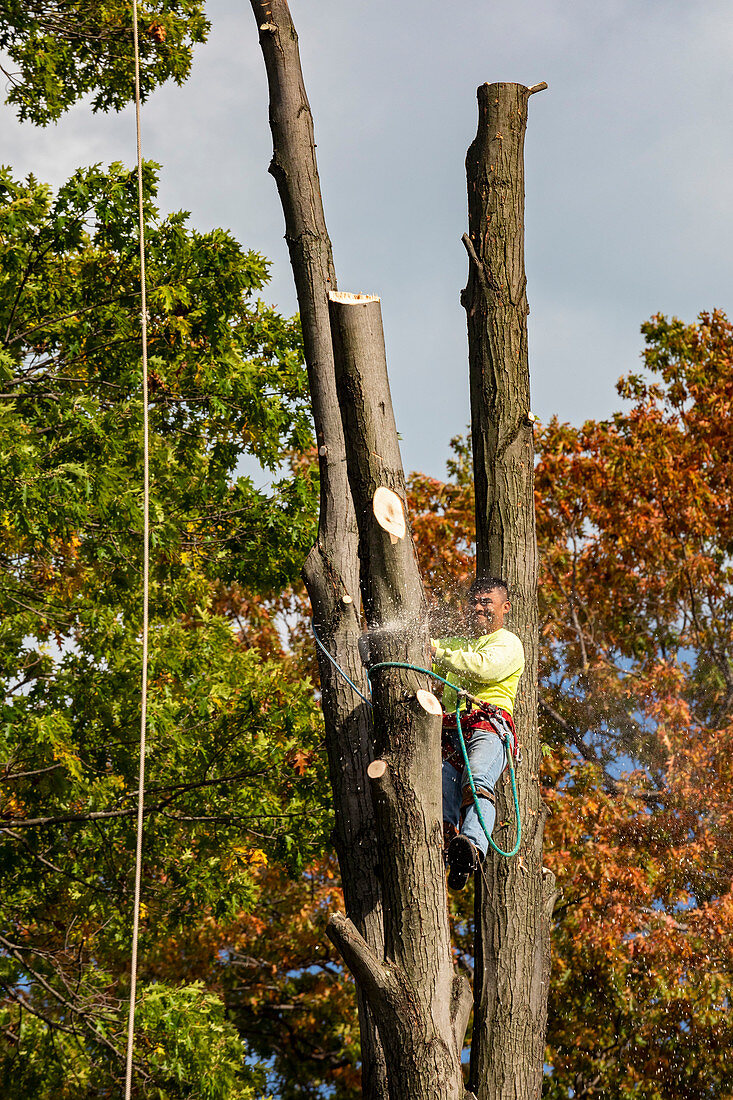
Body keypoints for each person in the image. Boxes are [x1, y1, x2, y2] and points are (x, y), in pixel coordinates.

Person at [431, 577, 525, 890]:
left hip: (489, 725)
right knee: (442, 788)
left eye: (487, 602)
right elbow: (424, 655)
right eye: (475, 601)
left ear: (505, 607)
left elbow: (483, 668)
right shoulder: (457, 645)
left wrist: (436, 652)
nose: (479, 607)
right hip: (452, 730)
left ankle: (471, 846)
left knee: (477, 778)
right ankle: (448, 848)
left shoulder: (508, 643)